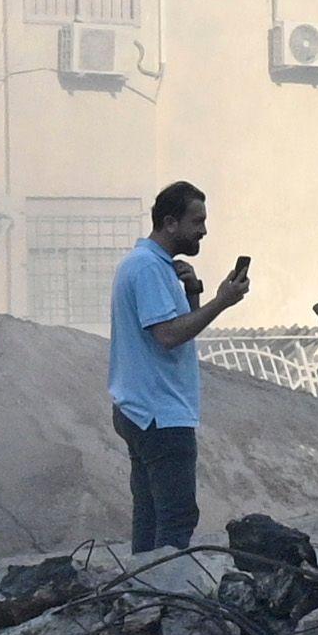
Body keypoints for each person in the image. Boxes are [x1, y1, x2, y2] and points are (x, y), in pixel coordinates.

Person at [107, 180, 249, 555]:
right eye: (196, 221)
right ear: (170, 223)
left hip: (141, 408)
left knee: (151, 514)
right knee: (175, 517)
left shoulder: (150, 266)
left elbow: (171, 331)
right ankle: (164, 596)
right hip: (160, 414)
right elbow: (168, 336)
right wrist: (222, 302)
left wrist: (192, 295)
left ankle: (142, 594)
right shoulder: (148, 269)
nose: (203, 230)